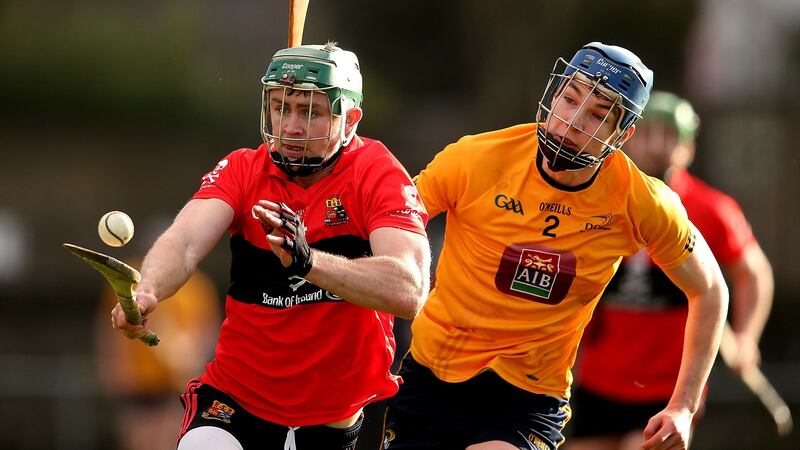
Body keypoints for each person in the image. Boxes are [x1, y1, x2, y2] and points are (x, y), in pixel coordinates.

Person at [383, 42, 729, 450]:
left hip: (528, 397)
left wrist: (683, 407)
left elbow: (709, 290)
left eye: (598, 115)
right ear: (552, 95)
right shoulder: (474, 159)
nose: (572, 122)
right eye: (569, 99)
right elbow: (393, 225)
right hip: (431, 374)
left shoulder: (641, 202)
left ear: (623, 134)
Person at [110, 42, 431, 450]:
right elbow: (185, 240)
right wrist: (149, 287)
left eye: (310, 112)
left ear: (349, 120)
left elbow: (409, 289)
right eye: (281, 107)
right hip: (236, 399)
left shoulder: (377, 175)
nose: (291, 127)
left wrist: (309, 262)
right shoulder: (244, 168)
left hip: (330, 420)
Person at [567, 92, 774, 450]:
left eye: (669, 137)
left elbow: (753, 273)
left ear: (688, 148)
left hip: (670, 386)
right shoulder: (596, 196)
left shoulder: (712, 210)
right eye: (647, 135)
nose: (656, 148)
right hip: (599, 378)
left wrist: (746, 337)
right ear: (628, 138)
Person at [96, 261, 221, 450]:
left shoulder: (197, 285)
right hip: (139, 382)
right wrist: (112, 368)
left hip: (177, 385)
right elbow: (108, 330)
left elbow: (207, 331)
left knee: (172, 439)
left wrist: (190, 359)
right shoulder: (129, 281)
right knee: (140, 439)